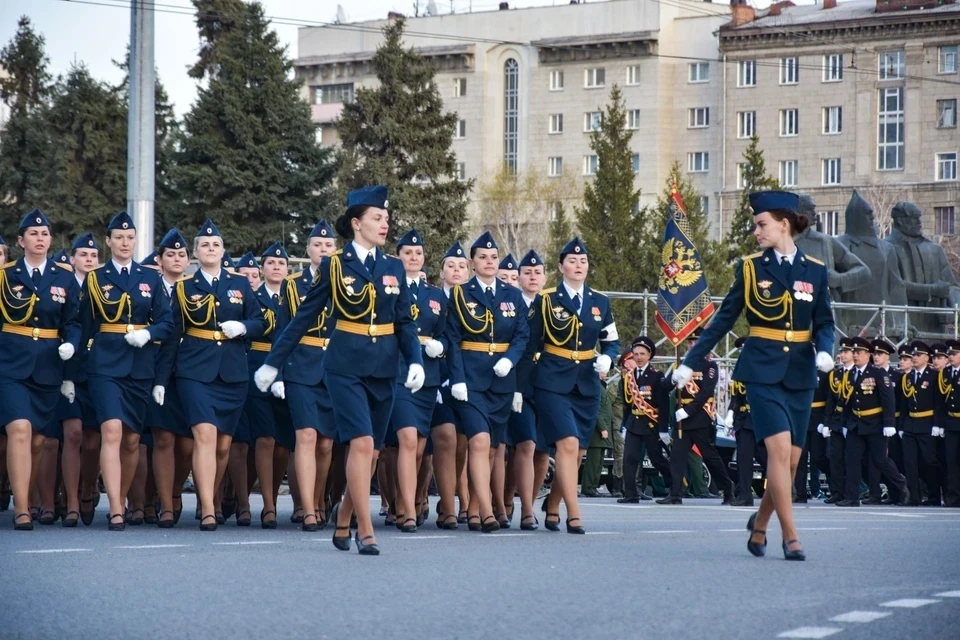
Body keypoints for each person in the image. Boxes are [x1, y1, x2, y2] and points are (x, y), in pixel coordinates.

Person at [256, 186, 424, 555]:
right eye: (377, 218)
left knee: (374, 451)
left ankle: (345, 518)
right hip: (344, 367)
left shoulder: (393, 266)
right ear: (356, 223)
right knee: (361, 444)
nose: (384, 225)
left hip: (385, 368)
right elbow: (303, 317)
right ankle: (366, 531)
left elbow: (404, 322)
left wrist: (415, 360)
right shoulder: (335, 265)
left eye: (386, 219)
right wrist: (273, 362)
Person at [671, 191, 835, 561]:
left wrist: (826, 350)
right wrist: (690, 362)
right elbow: (722, 321)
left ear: (784, 223)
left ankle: (760, 521)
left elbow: (825, 321)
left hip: (800, 373)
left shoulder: (816, 270)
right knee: (777, 453)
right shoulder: (750, 269)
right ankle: (790, 535)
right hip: (760, 370)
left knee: (792, 460)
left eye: (762, 224)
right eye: (755, 225)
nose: (756, 231)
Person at [158, 219, 267, 531]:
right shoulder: (183, 288)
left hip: (232, 372)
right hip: (195, 370)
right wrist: (161, 381)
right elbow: (171, 336)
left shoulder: (240, 285)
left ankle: (212, 497)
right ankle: (207, 507)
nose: (210, 249)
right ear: (195, 253)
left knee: (222, 446)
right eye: (204, 245)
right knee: (204, 436)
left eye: (215, 245)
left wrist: (244, 327)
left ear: (222, 251)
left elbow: (261, 321)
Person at [77, 211, 173, 531]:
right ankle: (116, 507)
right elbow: (84, 325)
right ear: (108, 242)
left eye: (130, 238)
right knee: (112, 431)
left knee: (132, 440)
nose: (125, 243)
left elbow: (166, 323)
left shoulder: (150, 278)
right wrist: (71, 367)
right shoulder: (96, 278)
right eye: (119, 237)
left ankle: (120, 495)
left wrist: (148, 333)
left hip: (140, 363)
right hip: (105, 362)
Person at [526, 237, 619, 534]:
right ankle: (574, 513)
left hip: (587, 384)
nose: (579, 266)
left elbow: (611, 342)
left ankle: (552, 505)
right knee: (566, 444)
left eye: (583, 262)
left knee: (578, 451)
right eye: (572, 261)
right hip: (552, 380)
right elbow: (530, 342)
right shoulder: (547, 299)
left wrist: (609, 359)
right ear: (561, 266)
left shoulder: (599, 301)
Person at [1, 210, 82, 530]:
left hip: (49, 364)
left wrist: (72, 345)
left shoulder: (63, 277)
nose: (39, 239)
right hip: (10, 363)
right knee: (18, 430)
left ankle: (29, 497)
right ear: (21, 241)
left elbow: (73, 322)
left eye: (44, 234)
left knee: (36, 441)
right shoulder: (6, 275)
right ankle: (22, 508)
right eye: (33, 235)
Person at [447, 231, 529, 533]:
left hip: (502, 381)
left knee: (494, 448)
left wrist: (511, 359)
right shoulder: (461, 294)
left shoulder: (512, 295)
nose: (489, 262)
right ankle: (485, 511)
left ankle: (475, 507)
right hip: (471, 379)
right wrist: (456, 378)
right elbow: (452, 339)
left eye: (494, 257)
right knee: (479, 441)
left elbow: (522, 334)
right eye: (483, 257)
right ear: (472, 262)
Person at [277, 219, 338, 529]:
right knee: (306, 436)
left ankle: (317, 498)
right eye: (318, 245)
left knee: (326, 443)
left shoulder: (345, 281)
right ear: (308, 250)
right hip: (301, 364)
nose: (323, 250)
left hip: (334, 366)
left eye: (329, 246)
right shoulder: (292, 284)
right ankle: (308, 508)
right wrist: (276, 372)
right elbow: (284, 329)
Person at [388, 229, 447, 532]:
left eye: (418, 253)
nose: (413, 257)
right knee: (407, 440)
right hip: (397, 370)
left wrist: (441, 345)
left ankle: (405, 500)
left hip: (428, 375)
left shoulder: (435, 295)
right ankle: (406, 509)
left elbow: (447, 333)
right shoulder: (388, 287)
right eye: (407, 253)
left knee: (420, 448)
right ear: (398, 257)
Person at [53, 232, 101, 527]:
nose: (89, 260)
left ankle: (87, 489)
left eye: (94, 256)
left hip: (98, 370)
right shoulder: (64, 285)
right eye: (83, 255)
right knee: (72, 435)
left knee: (94, 441)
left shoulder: (104, 286)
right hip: (68, 369)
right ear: (72, 259)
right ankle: (70, 502)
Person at [245, 242, 294, 529]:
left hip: (288, 370)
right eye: (271, 263)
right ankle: (268, 505)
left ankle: (274, 494)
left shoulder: (295, 296)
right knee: (264, 438)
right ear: (262, 269)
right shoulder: (253, 297)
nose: (276, 267)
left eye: (281, 263)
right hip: (259, 366)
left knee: (282, 445)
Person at [656, 329, 735, 506]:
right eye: (690, 342)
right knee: (677, 457)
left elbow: (706, 392)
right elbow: (665, 388)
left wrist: (689, 410)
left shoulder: (710, 366)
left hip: (699, 417)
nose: (692, 345)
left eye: (696, 342)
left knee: (710, 457)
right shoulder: (682, 364)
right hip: (681, 419)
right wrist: (673, 379)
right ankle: (675, 493)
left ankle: (728, 488)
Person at [148, 229, 194, 528]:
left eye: (182, 254)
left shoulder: (194, 288)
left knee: (188, 444)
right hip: (155, 368)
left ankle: (175, 492)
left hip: (190, 371)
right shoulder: (151, 287)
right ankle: (165, 503)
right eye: (171, 254)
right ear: (159, 260)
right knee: (163, 438)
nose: (177, 259)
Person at [503, 249, 549, 527]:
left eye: (537, 272)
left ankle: (521, 503)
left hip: (545, 384)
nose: (532, 277)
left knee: (542, 449)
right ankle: (519, 508)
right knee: (523, 445)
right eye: (527, 272)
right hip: (516, 383)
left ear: (545, 277)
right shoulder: (510, 303)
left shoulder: (551, 306)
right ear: (518, 277)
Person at [837, 337, 908, 507]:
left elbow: (888, 400)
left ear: (868, 355)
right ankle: (852, 496)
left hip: (875, 423)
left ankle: (902, 486)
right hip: (856, 423)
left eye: (859, 353)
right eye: (854, 352)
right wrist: (846, 423)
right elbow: (847, 400)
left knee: (880, 460)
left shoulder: (878, 373)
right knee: (852, 459)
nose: (855, 356)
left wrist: (889, 423)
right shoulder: (852, 373)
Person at [430, 241, 469, 529]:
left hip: (466, 378)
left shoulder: (473, 301)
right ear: (441, 272)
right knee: (443, 440)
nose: (457, 271)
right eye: (451, 266)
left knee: (464, 443)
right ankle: (444, 502)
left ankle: (457, 499)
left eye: (462, 266)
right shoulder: (433, 299)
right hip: (435, 375)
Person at [620, 337, 670, 503]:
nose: (639, 357)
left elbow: (663, 404)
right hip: (634, 424)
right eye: (636, 354)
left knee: (657, 459)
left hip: (651, 424)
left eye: (642, 354)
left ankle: (675, 487)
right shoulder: (629, 377)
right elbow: (627, 404)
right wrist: (624, 426)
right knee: (629, 459)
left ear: (649, 355)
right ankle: (631, 494)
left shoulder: (657, 376)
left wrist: (663, 428)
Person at [900, 341, 944, 506]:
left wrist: (936, 424)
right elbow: (905, 405)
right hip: (911, 424)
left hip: (927, 423)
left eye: (918, 355)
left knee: (929, 461)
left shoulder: (934, 376)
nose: (915, 358)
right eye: (914, 355)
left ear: (927, 358)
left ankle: (934, 495)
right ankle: (914, 496)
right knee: (910, 462)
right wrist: (901, 426)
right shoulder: (908, 377)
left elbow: (938, 403)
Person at [727, 336, 767, 507]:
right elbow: (736, 396)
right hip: (743, 420)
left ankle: (783, 490)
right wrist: (730, 413)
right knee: (744, 460)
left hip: (760, 420)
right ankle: (744, 495)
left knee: (768, 459)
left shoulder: (763, 369)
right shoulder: (738, 372)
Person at [822, 338, 855, 504]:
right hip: (836, 420)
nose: (842, 355)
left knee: (851, 459)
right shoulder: (835, 374)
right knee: (834, 458)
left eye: (845, 352)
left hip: (852, 421)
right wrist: (826, 422)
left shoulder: (857, 372)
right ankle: (837, 491)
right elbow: (830, 401)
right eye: (841, 352)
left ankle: (851, 493)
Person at [581, 372, 614, 497]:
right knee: (593, 462)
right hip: (597, 431)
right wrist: (602, 428)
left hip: (601, 430)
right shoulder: (595, 386)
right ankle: (588, 488)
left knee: (599, 462)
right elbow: (596, 409)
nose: (605, 372)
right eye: (603, 370)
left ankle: (593, 487)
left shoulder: (600, 385)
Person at [939, 340, 960, 507]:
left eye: (954, 354)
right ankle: (953, 495)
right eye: (949, 355)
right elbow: (940, 401)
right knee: (951, 460)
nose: (950, 357)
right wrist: (939, 423)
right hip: (951, 422)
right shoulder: (945, 373)